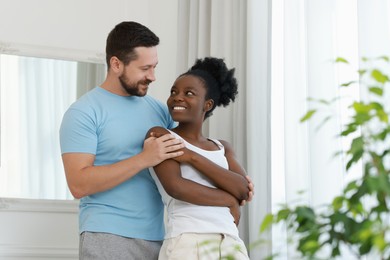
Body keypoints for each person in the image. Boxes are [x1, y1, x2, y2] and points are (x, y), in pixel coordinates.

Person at [59, 21, 185, 260]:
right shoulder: (84, 112)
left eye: (155, 67)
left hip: (160, 236)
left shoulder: (159, 110)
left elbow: (187, 156)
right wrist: (144, 159)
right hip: (107, 235)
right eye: (145, 68)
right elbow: (78, 184)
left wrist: (230, 179)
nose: (153, 76)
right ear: (116, 64)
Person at [147, 57, 251, 260]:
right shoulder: (160, 135)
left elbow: (243, 189)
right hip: (187, 242)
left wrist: (191, 157)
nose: (177, 97)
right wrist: (229, 200)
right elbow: (177, 187)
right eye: (174, 92)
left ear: (207, 104)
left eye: (189, 93)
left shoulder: (222, 147)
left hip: (230, 242)